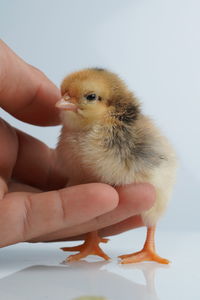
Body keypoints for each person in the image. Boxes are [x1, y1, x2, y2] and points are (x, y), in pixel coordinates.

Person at [0, 40, 155, 247]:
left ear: (109, 105)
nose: (65, 101)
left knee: (145, 197)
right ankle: (91, 240)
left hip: (141, 173)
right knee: (89, 198)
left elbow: (159, 172)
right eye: (65, 94)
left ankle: (149, 245)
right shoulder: (70, 137)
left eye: (89, 97)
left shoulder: (124, 132)